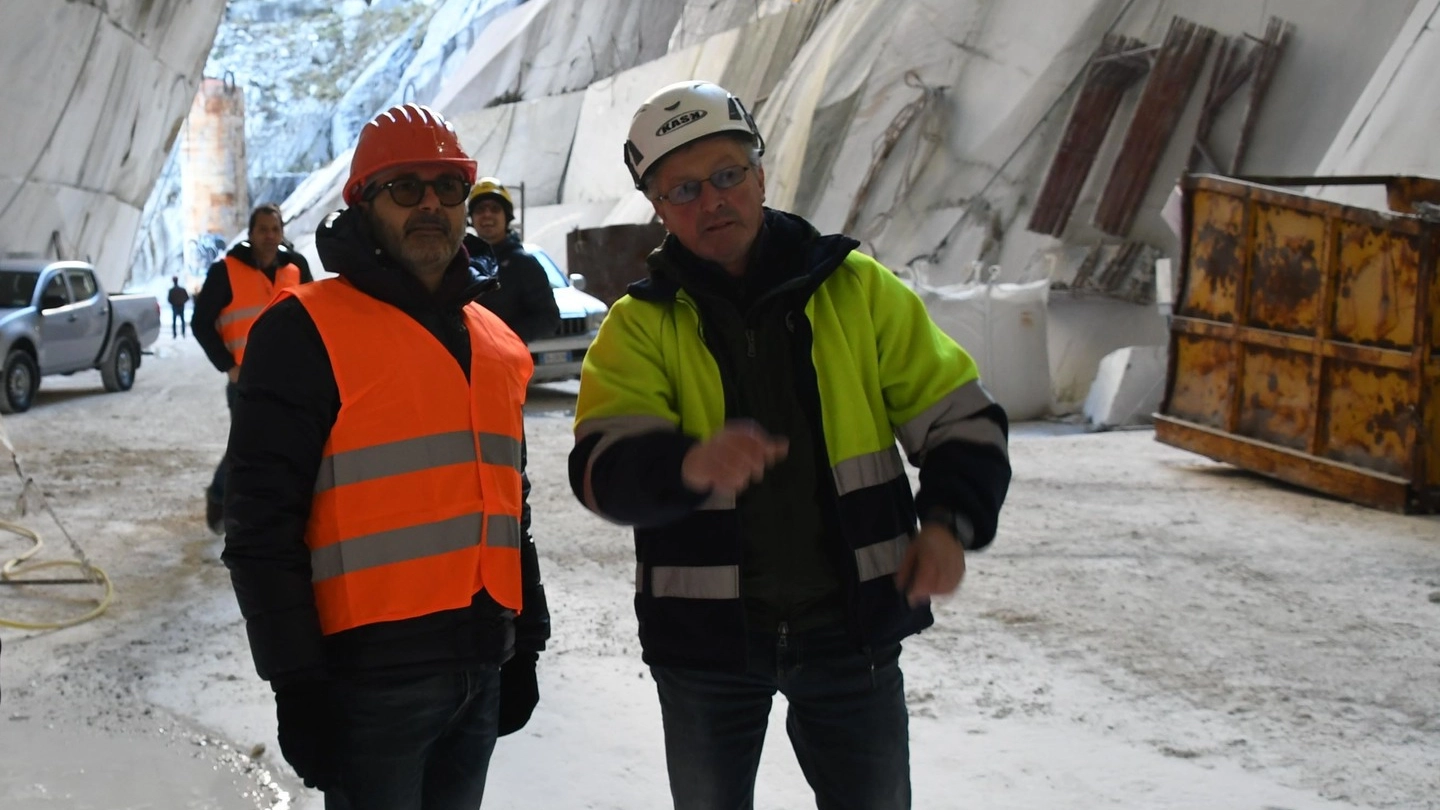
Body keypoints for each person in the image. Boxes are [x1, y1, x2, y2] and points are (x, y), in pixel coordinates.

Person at [569, 80, 1012, 810]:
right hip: (707, 647)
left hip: (852, 636)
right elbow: (599, 471)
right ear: (655, 208)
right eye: (682, 189)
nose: (711, 201)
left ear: (760, 174)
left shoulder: (859, 291)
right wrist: (685, 465)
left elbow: (962, 420)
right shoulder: (637, 326)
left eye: (726, 175)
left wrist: (949, 522)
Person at [220, 103, 550, 809]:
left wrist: (528, 638)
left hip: (482, 665)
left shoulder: (496, 341)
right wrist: (298, 683)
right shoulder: (303, 331)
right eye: (405, 187)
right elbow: (260, 530)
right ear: (364, 204)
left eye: (447, 187)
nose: (429, 203)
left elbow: (508, 507)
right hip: (369, 683)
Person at [192, 203, 313, 535]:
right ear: (251, 234)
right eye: (263, 230)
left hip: (291, 378)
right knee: (249, 446)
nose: (270, 236)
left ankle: (277, 508)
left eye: (275, 229)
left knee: (289, 445)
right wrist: (227, 365)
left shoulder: (296, 266)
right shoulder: (225, 271)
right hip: (246, 378)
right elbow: (200, 323)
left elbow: (314, 316)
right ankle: (220, 495)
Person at [462, 177, 561, 342]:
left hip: (508, 360)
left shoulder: (524, 265)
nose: (487, 215)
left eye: (494, 209)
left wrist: (503, 337)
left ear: (506, 216)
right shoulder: (461, 262)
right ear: (471, 218)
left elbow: (548, 318)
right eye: (480, 209)